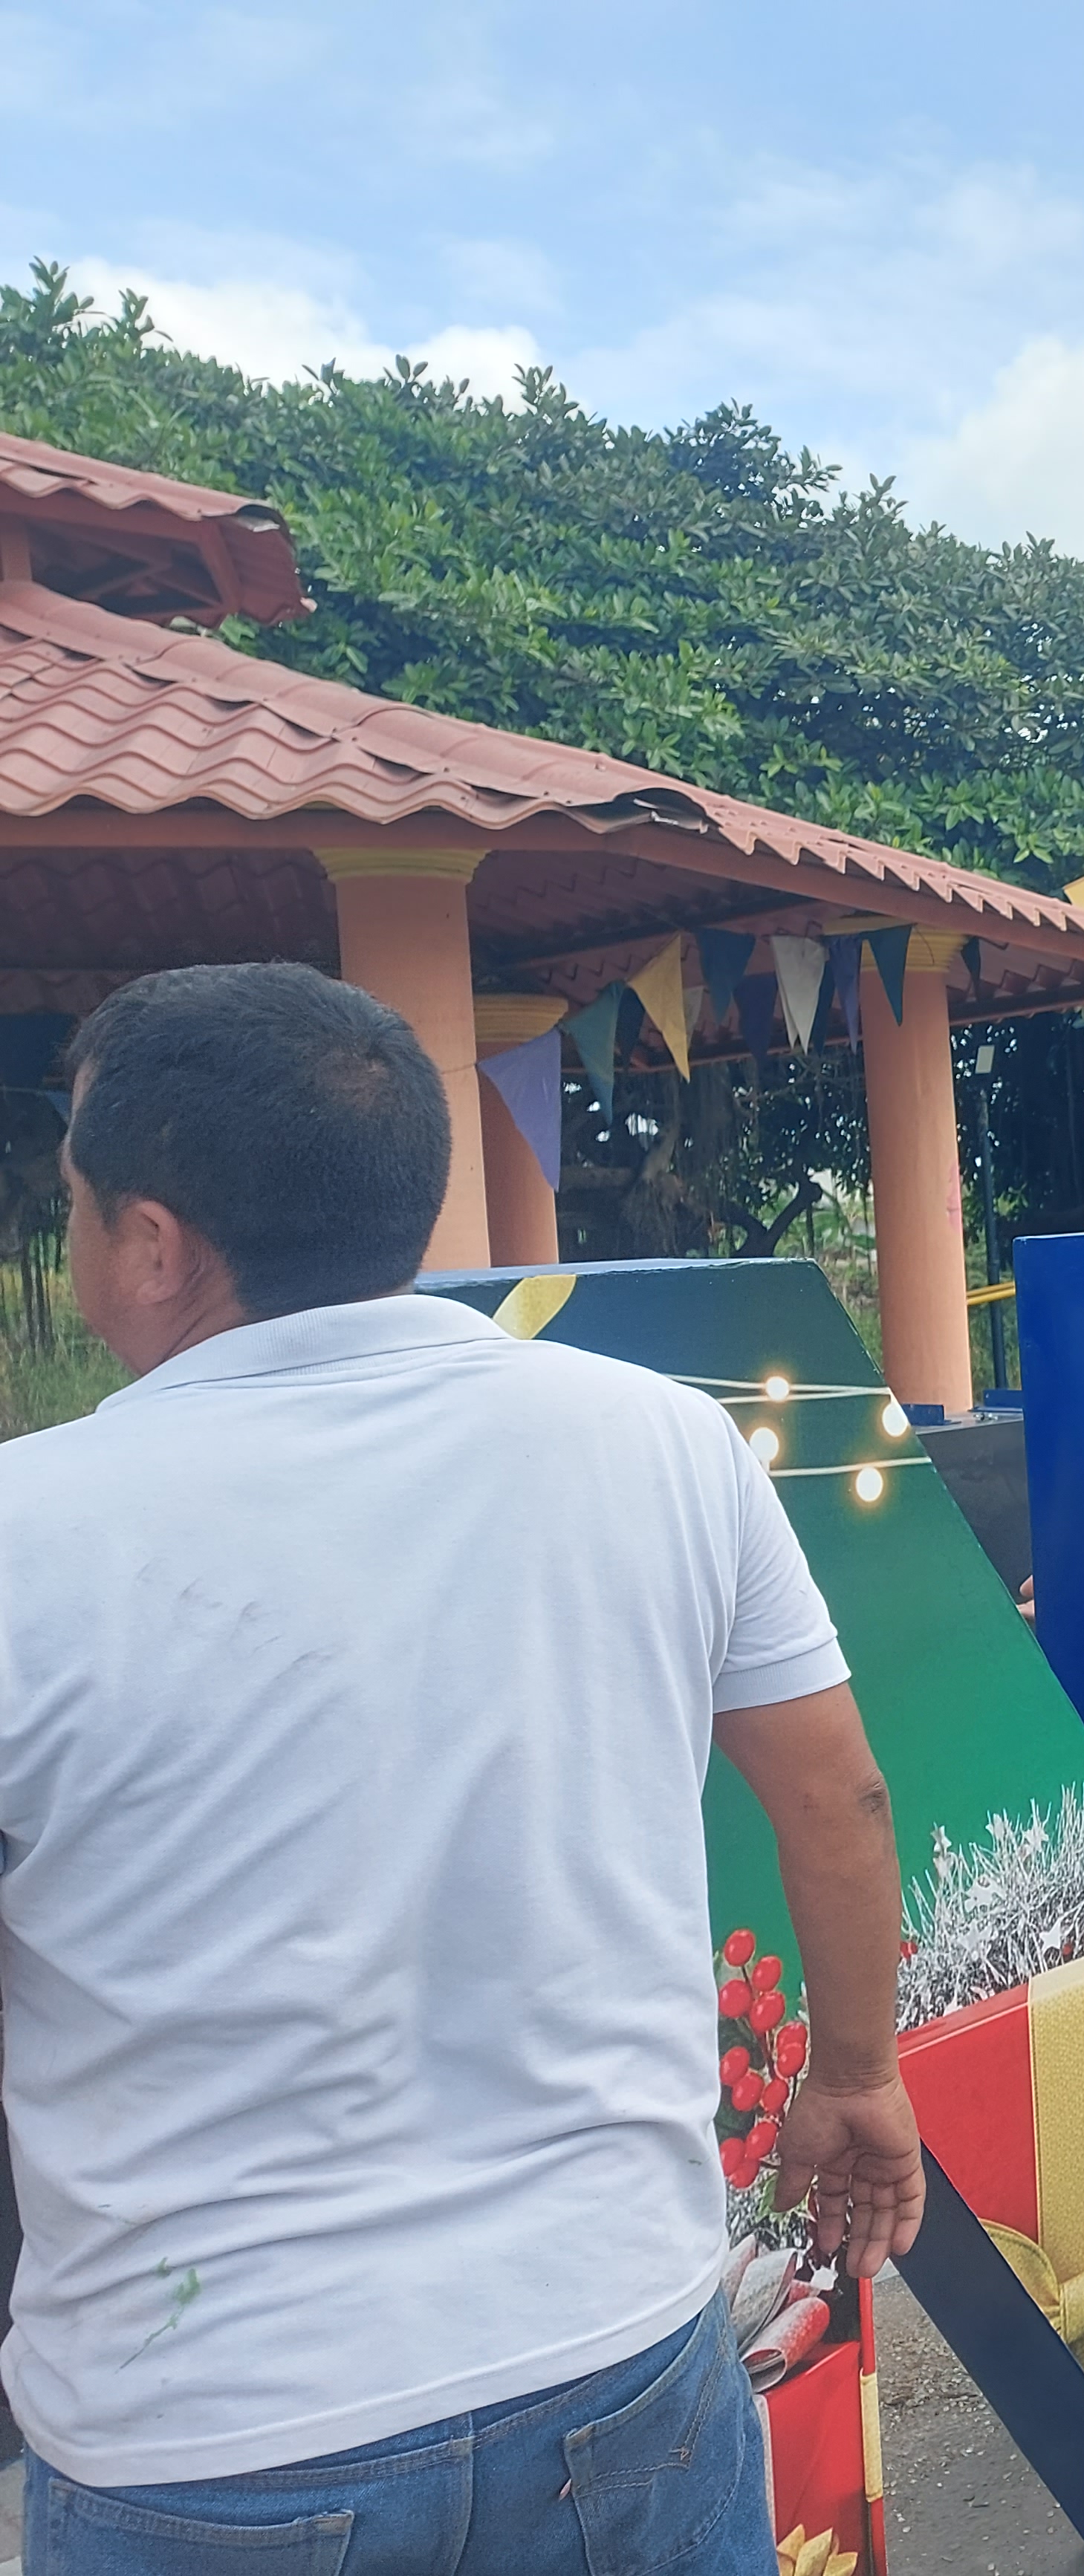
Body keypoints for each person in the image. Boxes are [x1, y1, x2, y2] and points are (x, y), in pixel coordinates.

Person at [0, 964, 921, 2572]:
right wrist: (855, 2073)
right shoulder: (666, 1440)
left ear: (150, 1242)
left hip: (207, 2437)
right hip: (622, 2355)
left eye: (70, 1205)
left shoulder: (30, 1532)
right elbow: (836, 1795)